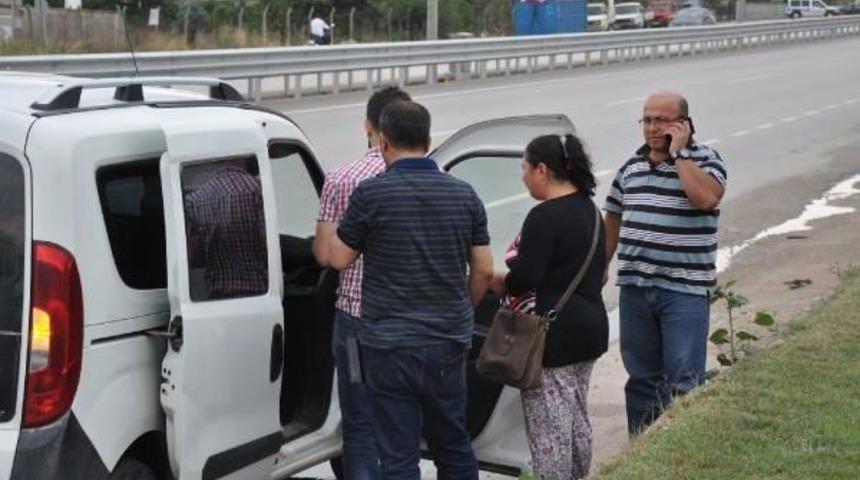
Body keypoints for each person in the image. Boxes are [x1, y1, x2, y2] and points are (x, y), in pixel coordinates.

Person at [328, 100, 493, 480]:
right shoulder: (464, 194)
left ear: (383, 142)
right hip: (446, 341)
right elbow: (483, 269)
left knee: (398, 452)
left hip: (387, 344)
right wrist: (460, 309)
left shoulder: (371, 195)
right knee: (453, 442)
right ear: (428, 139)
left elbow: (338, 259)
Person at [603, 91, 727, 435]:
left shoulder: (706, 161)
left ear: (683, 124)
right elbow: (612, 219)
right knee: (642, 379)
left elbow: (705, 199)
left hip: (683, 291)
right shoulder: (630, 167)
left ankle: (681, 452)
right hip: (636, 288)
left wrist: (680, 154)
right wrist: (599, 267)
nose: (652, 128)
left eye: (662, 120)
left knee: (684, 382)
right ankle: (642, 454)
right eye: (647, 119)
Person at [489, 134, 608, 480]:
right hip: (590, 329)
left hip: (553, 337)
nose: (523, 176)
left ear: (542, 169)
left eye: (525, 168)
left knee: (548, 434)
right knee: (575, 420)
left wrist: (500, 281)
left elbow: (525, 277)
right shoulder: (590, 208)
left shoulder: (544, 217)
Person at [312, 86, 411, 480]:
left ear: (369, 126)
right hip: (410, 320)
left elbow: (324, 256)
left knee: (359, 421)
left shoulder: (341, 179)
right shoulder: (435, 176)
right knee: (402, 417)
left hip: (356, 319)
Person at [184, 157, 268, 300]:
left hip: (218, 299)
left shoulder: (194, 200)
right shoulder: (257, 190)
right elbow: (268, 243)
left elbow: (195, 257)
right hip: (259, 295)